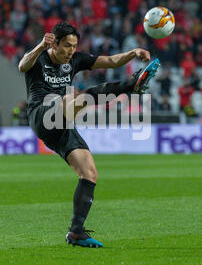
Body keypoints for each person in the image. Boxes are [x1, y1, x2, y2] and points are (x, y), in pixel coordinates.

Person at [18, 22, 157, 248]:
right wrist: (41, 46)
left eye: (74, 46)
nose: (70, 51)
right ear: (54, 42)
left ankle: (76, 232)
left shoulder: (75, 59)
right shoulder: (40, 58)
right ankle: (132, 86)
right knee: (82, 97)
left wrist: (133, 53)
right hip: (41, 115)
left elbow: (111, 61)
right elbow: (22, 66)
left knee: (89, 173)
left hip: (62, 122)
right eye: (66, 46)